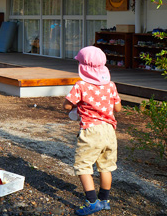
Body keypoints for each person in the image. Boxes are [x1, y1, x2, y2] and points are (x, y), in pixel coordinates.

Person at [63, 46, 122, 215]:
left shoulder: (81, 85)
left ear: (82, 67)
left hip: (91, 130)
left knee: (83, 166)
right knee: (106, 167)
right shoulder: (111, 85)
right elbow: (118, 108)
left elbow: (67, 105)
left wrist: (74, 106)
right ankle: (105, 201)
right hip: (109, 130)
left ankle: (92, 202)